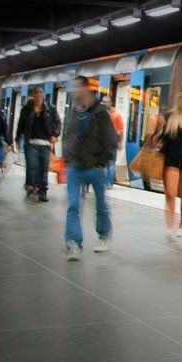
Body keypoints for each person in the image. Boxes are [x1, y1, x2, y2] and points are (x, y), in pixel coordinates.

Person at [61, 75, 117, 261]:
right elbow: (67, 135)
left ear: (85, 88)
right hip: (75, 166)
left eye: (76, 87)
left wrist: (103, 162)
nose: (73, 91)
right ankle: (74, 243)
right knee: (73, 205)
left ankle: (104, 235)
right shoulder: (73, 112)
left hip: (96, 166)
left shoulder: (100, 113)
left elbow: (110, 139)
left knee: (100, 205)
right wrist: (67, 158)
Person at [157, 89, 182, 238]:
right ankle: (169, 226)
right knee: (170, 193)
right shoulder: (170, 117)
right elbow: (159, 139)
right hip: (171, 159)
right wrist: (158, 127)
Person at [15, 87, 61, 202]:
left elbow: (58, 122)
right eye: (36, 93)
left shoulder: (51, 108)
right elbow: (21, 125)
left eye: (41, 92)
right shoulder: (26, 110)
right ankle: (31, 186)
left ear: (43, 94)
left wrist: (55, 135)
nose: (39, 95)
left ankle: (43, 192)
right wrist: (17, 138)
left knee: (43, 168)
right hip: (31, 142)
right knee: (32, 166)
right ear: (32, 95)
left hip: (45, 143)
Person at [101, 95, 125, 187]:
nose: (105, 103)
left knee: (110, 162)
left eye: (107, 102)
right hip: (102, 141)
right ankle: (103, 181)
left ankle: (109, 183)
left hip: (112, 140)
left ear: (111, 103)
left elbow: (121, 129)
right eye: (103, 101)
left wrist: (120, 142)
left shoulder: (116, 115)